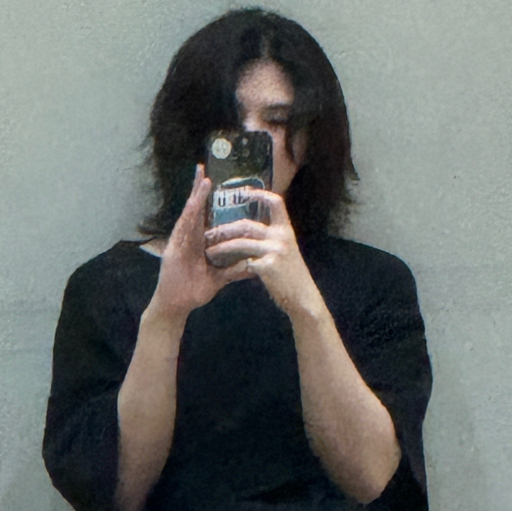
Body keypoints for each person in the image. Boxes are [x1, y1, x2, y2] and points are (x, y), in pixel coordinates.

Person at [42, 8, 432, 511]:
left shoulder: (374, 282)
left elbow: (378, 480)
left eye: (278, 121)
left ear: (312, 139)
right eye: (229, 123)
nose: (253, 142)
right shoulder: (106, 287)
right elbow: (114, 493)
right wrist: (165, 315)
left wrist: (306, 308)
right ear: (192, 134)